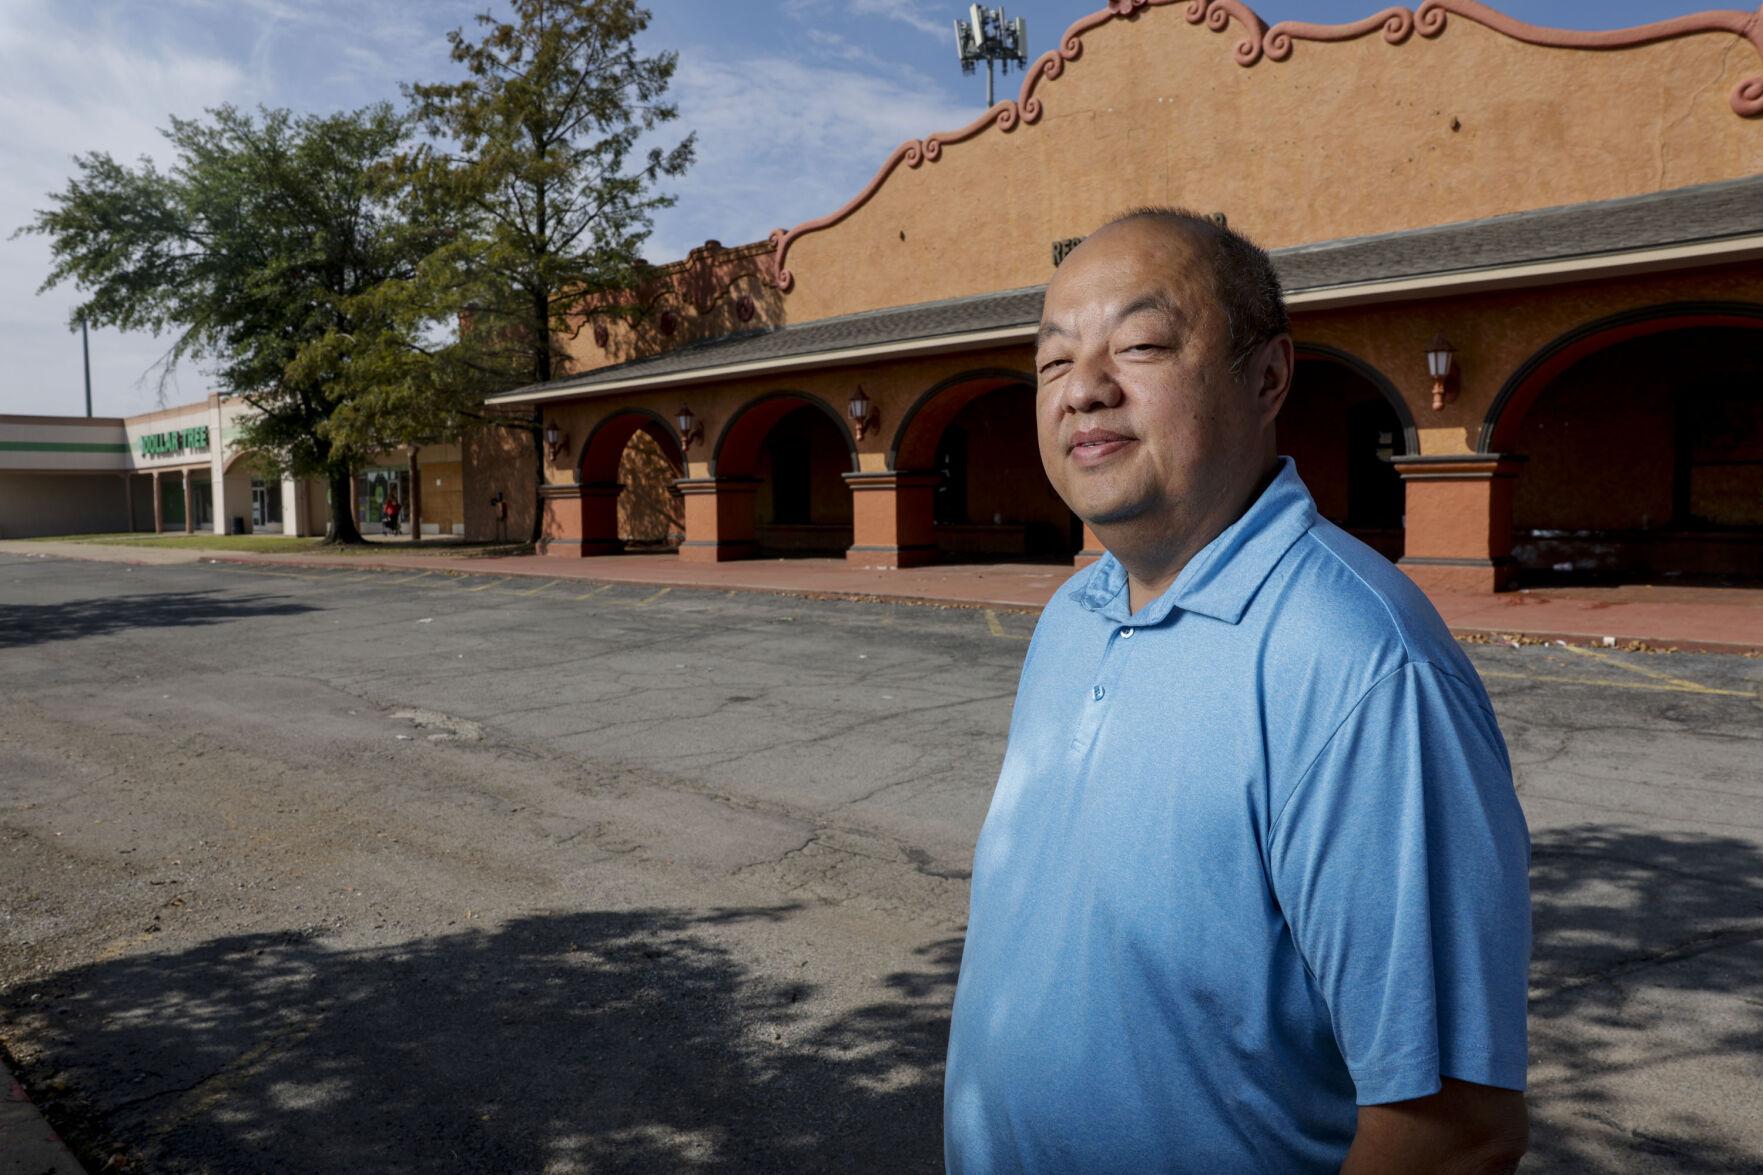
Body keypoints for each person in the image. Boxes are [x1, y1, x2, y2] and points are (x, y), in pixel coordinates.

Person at [943, 209, 1531, 1174]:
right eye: (1052, 363)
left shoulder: (1356, 665)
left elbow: (1451, 1131)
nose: (1083, 391)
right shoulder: (1070, 615)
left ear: (1266, 378)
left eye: (1138, 345)